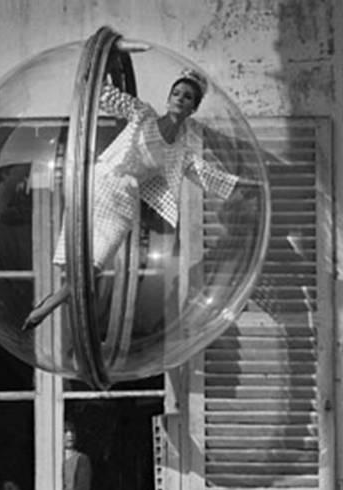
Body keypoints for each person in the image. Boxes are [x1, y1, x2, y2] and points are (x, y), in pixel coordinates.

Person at [22, 66, 245, 331]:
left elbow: (209, 176)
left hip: (124, 200)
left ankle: (48, 305)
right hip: (98, 185)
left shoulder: (179, 152)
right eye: (176, 93)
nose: (179, 99)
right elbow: (106, 96)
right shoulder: (143, 115)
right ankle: (51, 309)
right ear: (168, 97)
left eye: (187, 97)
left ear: (193, 109)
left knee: (94, 266)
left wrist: (246, 188)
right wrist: (100, 66)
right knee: (75, 260)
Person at [63, 420, 92, 490]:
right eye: (65, 431)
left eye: (72, 431)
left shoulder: (82, 459)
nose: (69, 435)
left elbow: (82, 489)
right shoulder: (49, 459)